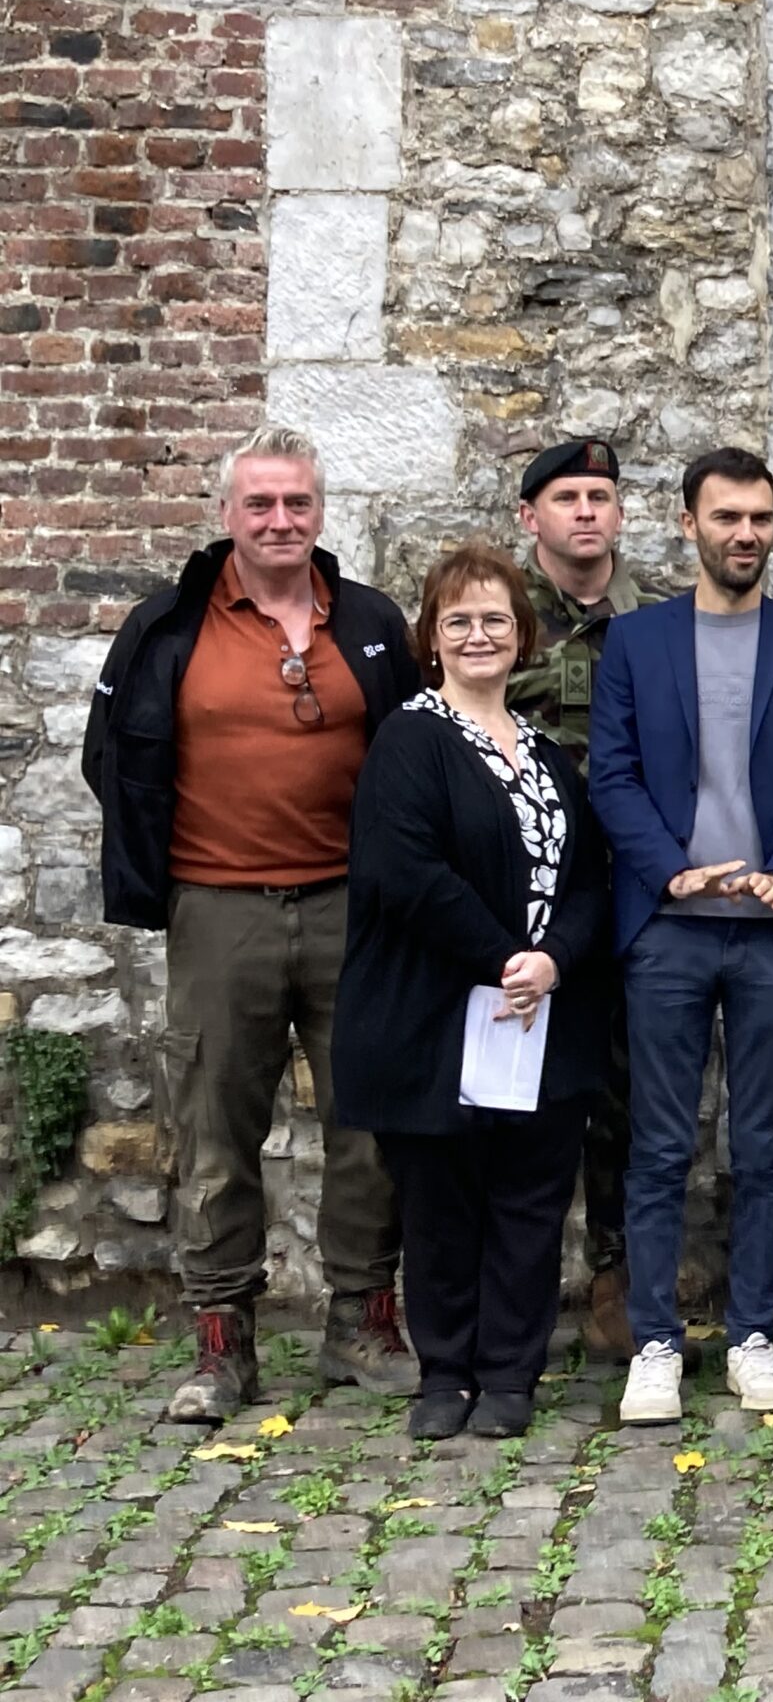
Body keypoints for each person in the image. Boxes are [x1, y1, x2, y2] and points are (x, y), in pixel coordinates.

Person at [81, 425, 418, 1423]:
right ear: (227, 514)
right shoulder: (169, 625)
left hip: (352, 907)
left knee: (370, 1123)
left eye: (297, 504)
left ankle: (363, 1320)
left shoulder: (367, 621)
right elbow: (115, 756)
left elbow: (411, 754)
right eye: (260, 504)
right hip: (216, 905)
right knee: (215, 1128)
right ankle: (223, 1344)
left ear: (321, 513)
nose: (280, 521)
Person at [588, 446, 773, 1424]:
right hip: (665, 926)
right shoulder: (638, 643)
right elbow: (610, 776)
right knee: (661, 1144)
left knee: (763, 1142)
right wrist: (669, 866)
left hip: (772, 931)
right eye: (726, 518)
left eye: (758, 518)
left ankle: (752, 1335)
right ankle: (655, 1341)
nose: (744, 534)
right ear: (688, 525)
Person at [335, 546, 614, 1440]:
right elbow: (404, 874)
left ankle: (509, 1376)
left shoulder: (546, 756)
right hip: (435, 1014)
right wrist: (505, 958)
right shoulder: (409, 739)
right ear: (432, 637)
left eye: (495, 618)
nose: (479, 634)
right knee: (442, 1201)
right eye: (458, 621)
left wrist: (555, 960)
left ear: (521, 634)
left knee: (531, 1203)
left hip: (541, 1018)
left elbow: (590, 881)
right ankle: (444, 1374)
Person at [507, 437, 665, 1363]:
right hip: (522, 899)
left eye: (600, 495)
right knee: (515, 1096)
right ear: (533, 517)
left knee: (633, 1096)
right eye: (566, 496)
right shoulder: (497, 616)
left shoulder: (659, 618)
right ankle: (512, 1291)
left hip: (629, 891)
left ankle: (620, 1277)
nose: (586, 512)